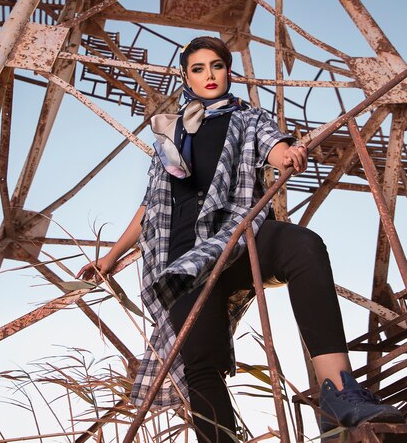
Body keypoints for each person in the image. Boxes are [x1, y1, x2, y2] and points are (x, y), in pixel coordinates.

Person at [78, 36, 404, 441]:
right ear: (186, 77)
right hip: (177, 260)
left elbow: (275, 146)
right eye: (198, 68)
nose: (209, 75)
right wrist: (109, 259)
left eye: (216, 66)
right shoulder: (168, 136)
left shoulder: (248, 118)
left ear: (228, 72)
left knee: (303, 246)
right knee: (202, 360)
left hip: (233, 239)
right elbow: (149, 208)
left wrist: (288, 154)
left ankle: (338, 392)